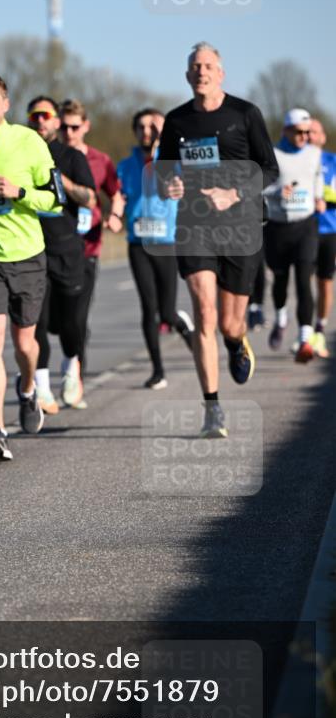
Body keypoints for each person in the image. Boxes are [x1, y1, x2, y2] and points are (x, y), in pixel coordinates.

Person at [157, 42, 279, 439]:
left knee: (228, 323)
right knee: (205, 314)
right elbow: (161, 173)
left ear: (221, 73)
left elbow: (269, 170)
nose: (201, 72)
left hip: (240, 229)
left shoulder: (245, 114)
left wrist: (234, 195)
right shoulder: (176, 121)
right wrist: (169, 185)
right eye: (195, 66)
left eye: (208, 66)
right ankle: (213, 407)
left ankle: (237, 340)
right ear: (187, 74)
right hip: (193, 228)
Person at [0, 69, 62, 461]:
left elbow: (54, 200)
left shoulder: (29, 140)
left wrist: (18, 192)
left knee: (24, 344)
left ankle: (27, 390)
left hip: (27, 254)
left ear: (5, 102)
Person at [114, 108, 194, 389]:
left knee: (167, 314)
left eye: (153, 127)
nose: (146, 132)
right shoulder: (124, 165)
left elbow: (186, 187)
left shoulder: (174, 162)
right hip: (138, 244)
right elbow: (118, 196)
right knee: (149, 309)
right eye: (141, 127)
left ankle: (182, 325)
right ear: (135, 132)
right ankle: (158, 370)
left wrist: (180, 187)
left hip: (167, 243)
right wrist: (115, 213)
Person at [26, 95, 96, 411]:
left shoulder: (71, 156)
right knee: (37, 324)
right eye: (35, 116)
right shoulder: (22, 155)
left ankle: (71, 367)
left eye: (46, 116)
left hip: (68, 251)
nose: (41, 121)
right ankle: (41, 387)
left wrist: (61, 181)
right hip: (33, 251)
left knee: (71, 324)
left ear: (56, 120)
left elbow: (90, 199)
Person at [58, 98, 120, 385]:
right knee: (58, 320)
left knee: (79, 315)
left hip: (88, 246)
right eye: (63, 126)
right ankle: (72, 347)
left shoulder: (100, 160)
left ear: (85, 126)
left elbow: (115, 192)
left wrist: (116, 215)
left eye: (74, 127)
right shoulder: (48, 156)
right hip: (55, 246)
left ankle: (76, 372)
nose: (68, 133)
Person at [264, 108, 324, 362]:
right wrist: (279, 193)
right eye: (298, 132)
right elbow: (259, 187)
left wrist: (319, 196)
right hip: (278, 226)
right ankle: (280, 318)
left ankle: (304, 339)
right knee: (280, 281)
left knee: (303, 281)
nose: (303, 137)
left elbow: (317, 176)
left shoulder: (314, 153)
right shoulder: (273, 154)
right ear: (285, 130)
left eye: (307, 132)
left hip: (305, 225)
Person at [308, 117, 336, 356]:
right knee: (302, 283)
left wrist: (326, 198)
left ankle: (319, 331)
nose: (310, 136)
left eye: (315, 132)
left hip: (329, 230)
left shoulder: (332, 161)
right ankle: (304, 334)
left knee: (325, 283)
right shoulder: (294, 161)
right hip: (301, 231)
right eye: (307, 132)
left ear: (323, 137)